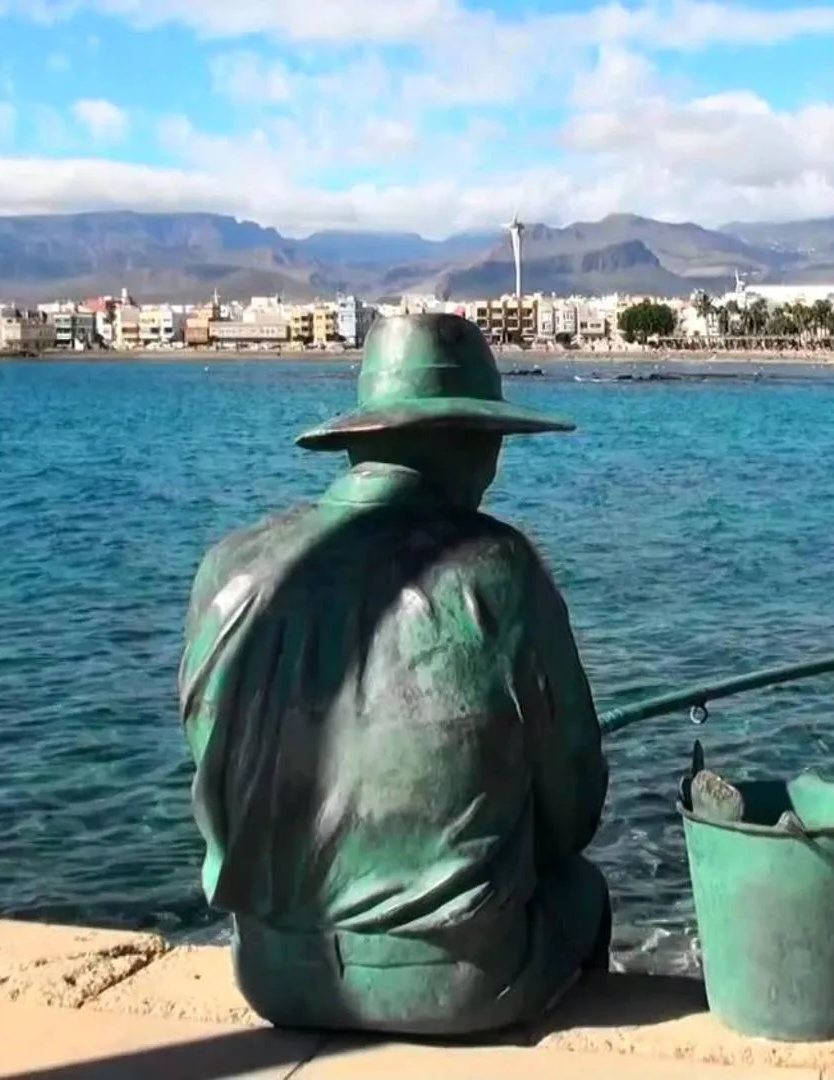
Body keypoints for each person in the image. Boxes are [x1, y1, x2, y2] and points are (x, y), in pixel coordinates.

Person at [177, 312, 610, 1038]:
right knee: (583, 889)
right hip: (459, 984)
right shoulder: (497, 569)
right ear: (465, 445)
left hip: (270, 974)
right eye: (492, 442)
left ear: (363, 442)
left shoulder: (227, 564)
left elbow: (212, 775)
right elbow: (573, 811)